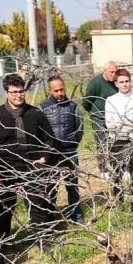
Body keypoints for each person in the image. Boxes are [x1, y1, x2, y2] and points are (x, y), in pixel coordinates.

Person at [0, 74, 57, 244]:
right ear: (6, 93)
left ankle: (43, 240)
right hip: (6, 170)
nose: (18, 95)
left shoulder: (35, 113)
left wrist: (44, 158)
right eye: (14, 92)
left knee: (37, 205)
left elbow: (50, 138)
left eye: (21, 91)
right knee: (4, 208)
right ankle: (1, 244)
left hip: (31, 167)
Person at [41, 76, 84, 223]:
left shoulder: (73, 107)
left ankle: (77, 217)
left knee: (73, 187)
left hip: (70, 154)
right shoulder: (43, 108)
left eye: (62, 89)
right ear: (50, 90)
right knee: (51, 188)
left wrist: (72, 145)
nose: (60, 93)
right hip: (51, 155)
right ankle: (51, 219)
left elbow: (80, 129)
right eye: (56, 90)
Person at [104, 68, 133, 206]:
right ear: (116, 84)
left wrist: (127, 127)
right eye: (121, 82)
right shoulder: (111, 100)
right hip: (117, 140)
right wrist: (123, 128)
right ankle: (119, 202)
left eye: (127, 81)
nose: (125, 84)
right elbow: (110, 122)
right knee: (117, 173)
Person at [81, 61, 119, 178]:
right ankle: (103, 170)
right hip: (99, 118)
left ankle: (117, 167)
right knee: (102, 144)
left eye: (115, 72)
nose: (114, 74)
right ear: (105, 71)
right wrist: (94, 113)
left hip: (114, 118)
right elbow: (86, 102)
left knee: (115, 142)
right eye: (112, 72)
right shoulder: (95, 83)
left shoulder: (116, 83)